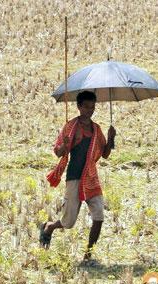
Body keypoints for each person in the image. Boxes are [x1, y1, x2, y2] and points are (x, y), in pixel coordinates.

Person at [39, 91, 116, 261]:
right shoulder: (70, 127)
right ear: (79, 107)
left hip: (91, 177)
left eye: (93, 107)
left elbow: (105, 154)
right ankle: (49, 226)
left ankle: (88, 255)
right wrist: (65, 145)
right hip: (74, 176)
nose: (90, 110)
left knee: (99, 217)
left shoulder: (96, 129)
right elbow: (58, 152)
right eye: (87, 107)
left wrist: (110, 140)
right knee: (68, 222)